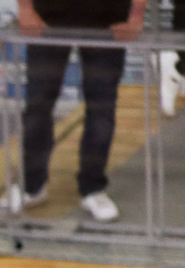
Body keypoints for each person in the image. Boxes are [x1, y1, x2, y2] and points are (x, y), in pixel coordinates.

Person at [10, 0, 144, 222]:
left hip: (107, 20)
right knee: (38, 105)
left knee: (101, 107)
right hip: (48, 17)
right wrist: (26, 9)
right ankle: (32, 186)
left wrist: (136, 16)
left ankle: (93, 188)